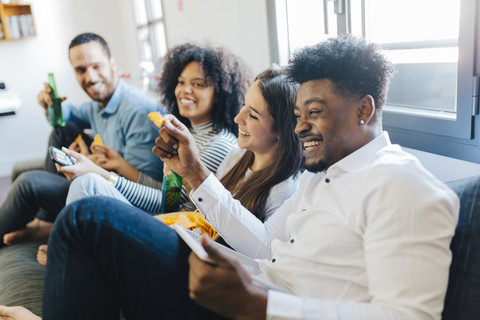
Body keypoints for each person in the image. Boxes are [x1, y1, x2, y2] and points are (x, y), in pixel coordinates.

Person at [1, 35, 459, 320]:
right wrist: (196, 176)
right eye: (298, 114)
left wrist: (260, 306)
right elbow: (265, 246)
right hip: (248, 286)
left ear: (365, 109)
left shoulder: (404, 185)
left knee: (90, 219)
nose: (300, 128)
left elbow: (408, 316)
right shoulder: (321, 177)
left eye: (313, 113)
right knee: (89, 213)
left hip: (258, 306)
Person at [0, 32, 164, 247]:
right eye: (81, 70)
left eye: (97, 66)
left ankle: (46, 221)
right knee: (61, 130)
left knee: (28, 184)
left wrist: (94, 166)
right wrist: (51, 105)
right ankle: (49, 220)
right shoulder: (99, 104)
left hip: (125, 199)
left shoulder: (137, 111)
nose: (90, 77)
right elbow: (68, 115)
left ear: (113, 64)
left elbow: (147, 192)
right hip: (99, 176)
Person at [58, 43, 253, 214]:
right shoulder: (189, 134)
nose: (185, 89)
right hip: (161, 217)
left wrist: (102, 174)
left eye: (198, 84)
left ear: (220, 93)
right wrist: (118, 164)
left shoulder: (219, 143)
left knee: (88, 182)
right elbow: (165, 191)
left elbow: (170, 204)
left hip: (175, 229)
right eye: (181, 82)